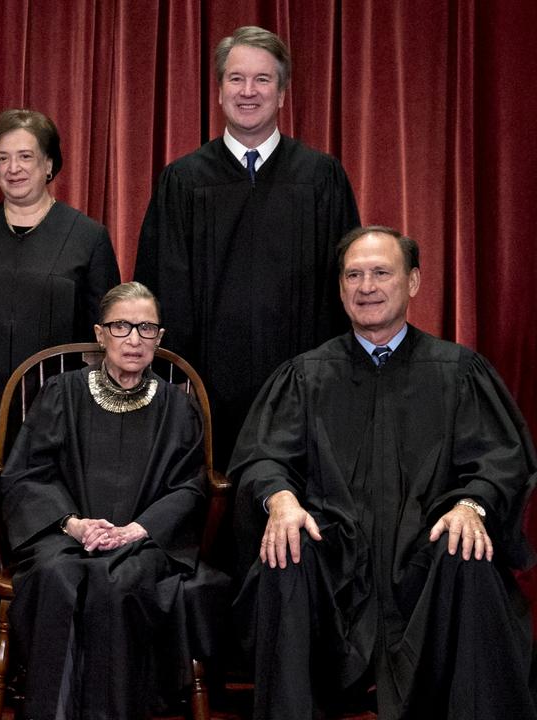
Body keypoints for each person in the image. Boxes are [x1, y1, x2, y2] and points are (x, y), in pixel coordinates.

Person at [232, 226, 537, 719]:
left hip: (427, 567)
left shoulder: (457, 372)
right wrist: (280, 500)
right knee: (285, 552)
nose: (366, 286)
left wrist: (471, 505)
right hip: (334, 569)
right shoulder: (307, 375)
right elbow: (264, 457)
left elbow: (500, 460)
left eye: (380, 273)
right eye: (353, 275)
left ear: (413, 282)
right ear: (340, 288)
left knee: (470, 551)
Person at [134, 26, 360, 472]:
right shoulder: (183, 181)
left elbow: (347, 285)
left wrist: (332, 376)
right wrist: (176, 379)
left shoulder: (321, 177)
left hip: (304, 386)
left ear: (281, 93)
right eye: (236, 79)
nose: (248, 91)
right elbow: (160, 286)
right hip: (206, 390)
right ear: (219, 92)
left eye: (263, 79)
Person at [0, 282, 207, 719]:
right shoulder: (61, 393)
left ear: (160, 338)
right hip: (65, 536)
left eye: (146, 328)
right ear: (99, 334)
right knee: (57, 574)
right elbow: (26, 474)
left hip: (143, 541)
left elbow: (189, 486)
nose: (134, 339)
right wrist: (73, 524)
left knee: (121, 581)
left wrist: (136, 529)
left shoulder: (178, 407)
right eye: (121, 326)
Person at [0, 108, 119, 472]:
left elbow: (106, 339)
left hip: (60, 418)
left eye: (25, 157)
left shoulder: (88, 238)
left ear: (49, 165)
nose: (13, 168)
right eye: (3, 158)